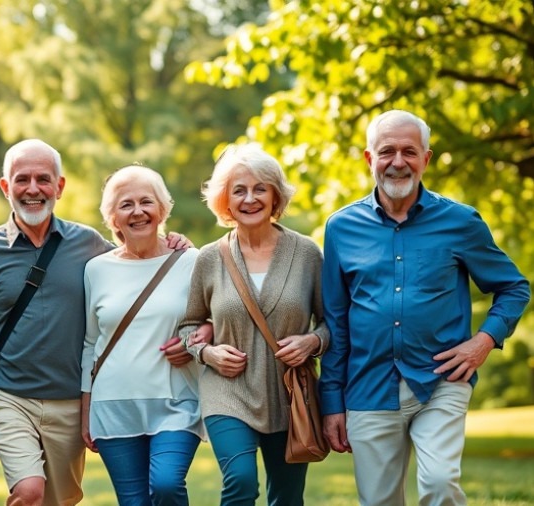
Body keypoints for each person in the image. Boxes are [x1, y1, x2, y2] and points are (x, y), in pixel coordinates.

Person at [0, 139, 190, 506]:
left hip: (68, 400)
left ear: (60, 186)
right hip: (8, 396)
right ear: (6, 187)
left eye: (43, 179)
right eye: (22, 179)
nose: (33, 189)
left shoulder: (89, 246)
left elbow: (135, 261)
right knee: (29, 491)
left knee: (61, 500)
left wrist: (173, 243)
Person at [319, 110, 530, 505]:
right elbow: (336, 322)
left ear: (426, 159)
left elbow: (514, 287)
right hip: (367, 386)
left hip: (441, 380)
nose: (398, 162)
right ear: (369, 159)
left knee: (438, 485)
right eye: (387, 152)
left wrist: (484, 341)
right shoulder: (340, 228)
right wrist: (331, 402)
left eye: (409, 152)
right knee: (379, 501)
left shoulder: (461, 222)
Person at [180, 144, 328, 505]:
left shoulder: (307, 253)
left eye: (260, 188)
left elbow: (332, 323)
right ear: (225, 200)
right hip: (227, 392)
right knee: (241, 482)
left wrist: (312, 342)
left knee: (288, 496)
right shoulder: (210, 258)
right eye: (239, 190)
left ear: (275, 195)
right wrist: (208, 353)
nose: (250, 199)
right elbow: (188, 326)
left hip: (290, 393)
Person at [81, 165, 204, 505]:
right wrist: (85, 410)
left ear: (162, 209)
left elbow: (217, 317)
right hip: (112, 407)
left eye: (146, 202)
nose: (138, 211)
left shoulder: (191, 260)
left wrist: (196, 339)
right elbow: (90, 344)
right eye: (126, 204)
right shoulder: (96, 269)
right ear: (113, 218)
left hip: (176, 402)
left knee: (166, 484)